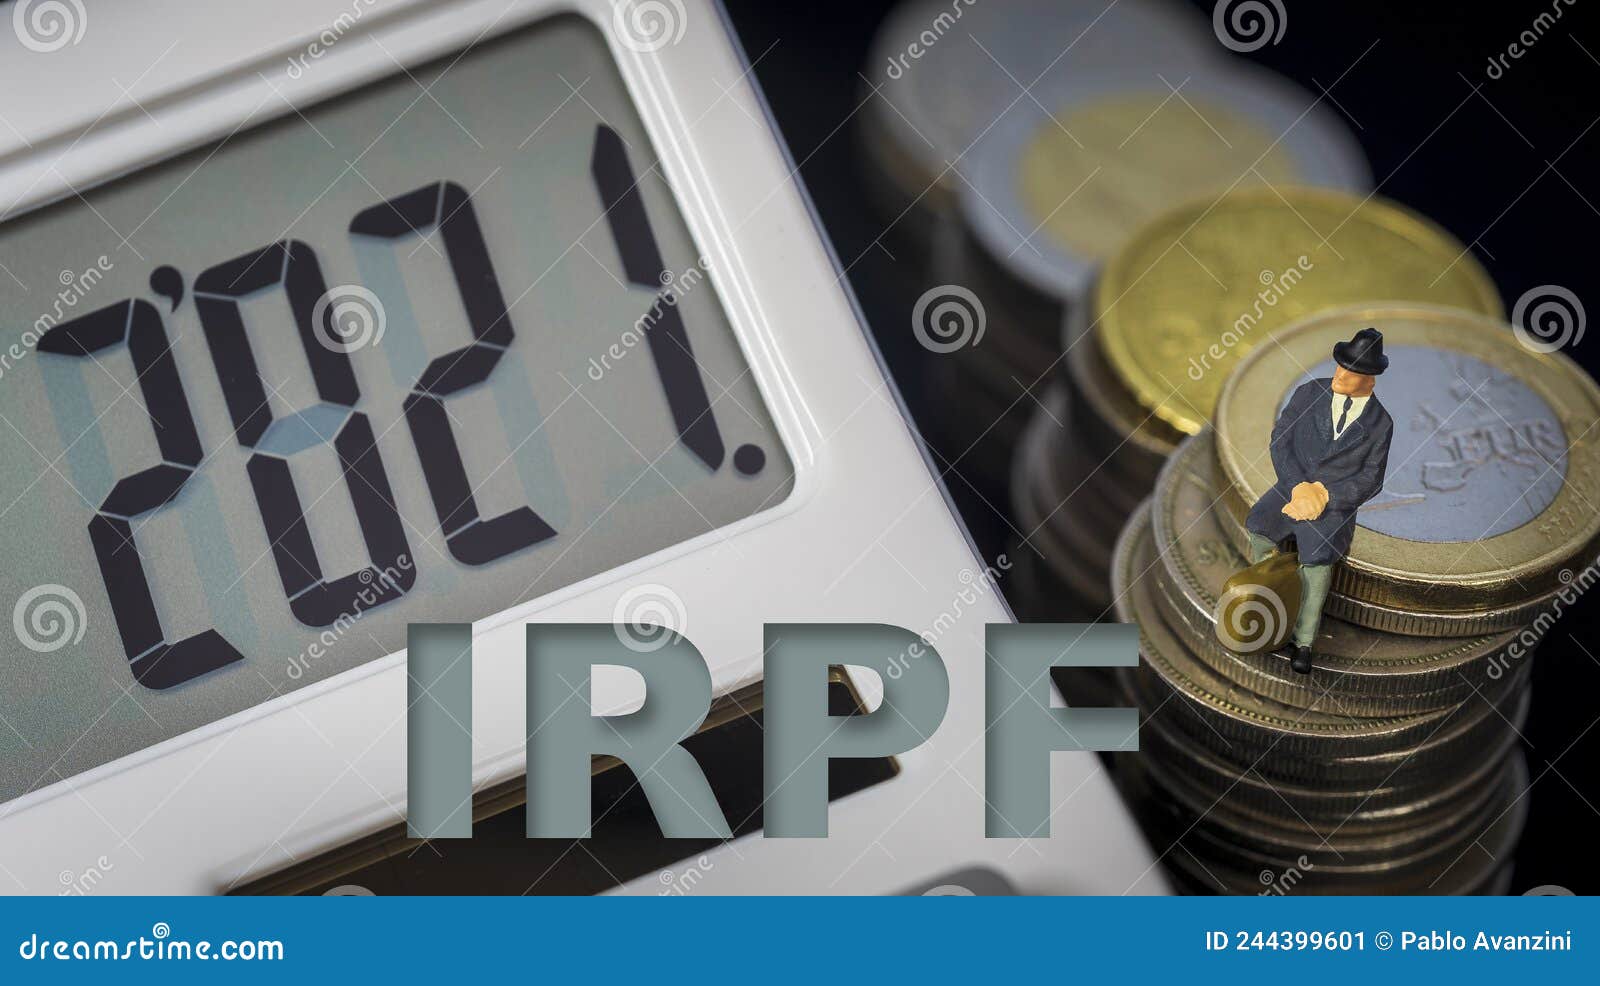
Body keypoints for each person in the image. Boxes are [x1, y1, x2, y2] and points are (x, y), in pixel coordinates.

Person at [1243, 327, 1393, 674]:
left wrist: (1326, 496)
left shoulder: (1381, 424)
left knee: (1317, 564)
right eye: (1340, 365)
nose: (1340, 374)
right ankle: (1265, 603)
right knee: (1259, 527)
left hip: (1332, 507)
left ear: (1369, 380)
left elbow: (1372, 479)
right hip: (1290, 487)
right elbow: (1280, 440)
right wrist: (1297, 487)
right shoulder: (1309, 392)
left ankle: (1304, 641)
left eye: (1351, 371)